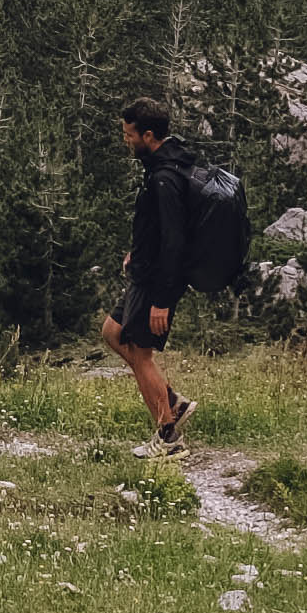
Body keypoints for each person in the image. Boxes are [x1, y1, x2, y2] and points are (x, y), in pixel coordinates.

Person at [103, 97, 195, 453]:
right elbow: (158, 230)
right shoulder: (162, 165)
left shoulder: (165, 179)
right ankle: (171, 401)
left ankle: (168, 436)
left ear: (149, 135)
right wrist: (138, 251)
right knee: (112, 333)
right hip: (144, 272)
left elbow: (174, 244)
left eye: (130, 134)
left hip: (156, 282)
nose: (126, 140)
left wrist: (162, 301)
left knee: (141, 357)